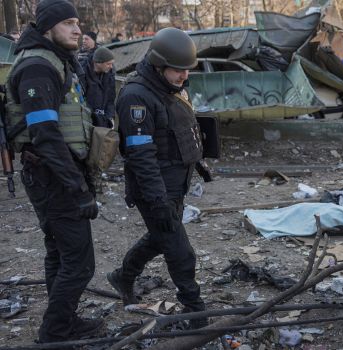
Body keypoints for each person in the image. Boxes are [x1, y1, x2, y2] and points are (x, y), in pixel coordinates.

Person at [4, 0, 102, 342]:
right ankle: (56, 331)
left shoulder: (53, 60)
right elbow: (45, 134)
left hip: (52, 173)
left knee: (59, 253)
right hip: (53, 176)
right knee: (79, 261)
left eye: (77, 22)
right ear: (48, 29)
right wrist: (78, 189)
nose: (77, 29)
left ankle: (63, 321)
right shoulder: (37, 67)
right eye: (69, 23)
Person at [107, 27, 208, 329]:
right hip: (155, 191)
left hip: (173, 188)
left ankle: (122, 276)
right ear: (158, 64)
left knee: (159, 237)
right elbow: (141, 157)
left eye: (187, 70)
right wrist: (158, 201)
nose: (184, 77)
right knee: (180, 252)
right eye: (179, 70)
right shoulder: (136, 97)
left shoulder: (168, 89)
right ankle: (196, 312)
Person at [82, 46, 116, 128]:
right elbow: (82, 101)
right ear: (98, 63)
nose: (111, 66)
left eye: (112, 63)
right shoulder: (82, 73)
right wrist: (95, 118)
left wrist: (109, 118)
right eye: (108, 64)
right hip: (87, 121)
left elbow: (111, 100)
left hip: (105, 121)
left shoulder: (110, 74)